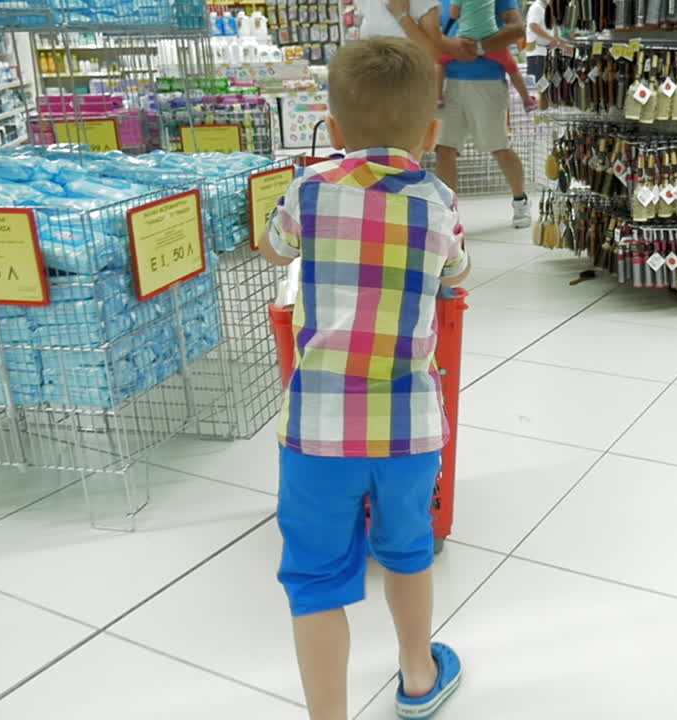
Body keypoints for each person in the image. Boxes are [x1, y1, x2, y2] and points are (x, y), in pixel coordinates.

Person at [257, 37, 471, 720]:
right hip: (410, 431)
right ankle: (417, 677)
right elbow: (458, 271)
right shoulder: (439, 202)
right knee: (408, 551)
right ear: (431, 134)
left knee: (316, 578)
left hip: (317, 433)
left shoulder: (310, 189)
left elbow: (272, 249)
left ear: (333, 129)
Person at [436, 0, 531, 228]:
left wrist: (480, 47)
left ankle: (520, 200)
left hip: (488, 81)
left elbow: (517, 28)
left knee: (498, 146)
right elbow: (432, 35)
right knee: (444, 148)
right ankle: (449, 212)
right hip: (449, 82)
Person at [438, 0, 536, 112]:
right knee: (512, 68)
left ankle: (438, 96)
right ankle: (527, 100)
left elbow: (453, 14)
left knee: (439, 63)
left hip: (463, 44)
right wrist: (481, 46)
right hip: (491, 43)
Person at [524, 0, 567, 80]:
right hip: (536, 54)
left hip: (543, 53)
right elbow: (533, 26)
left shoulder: (544, 8)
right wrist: (552, 39)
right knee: (536, 82)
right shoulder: (536, 7)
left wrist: (554, 41)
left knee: (542, 82)